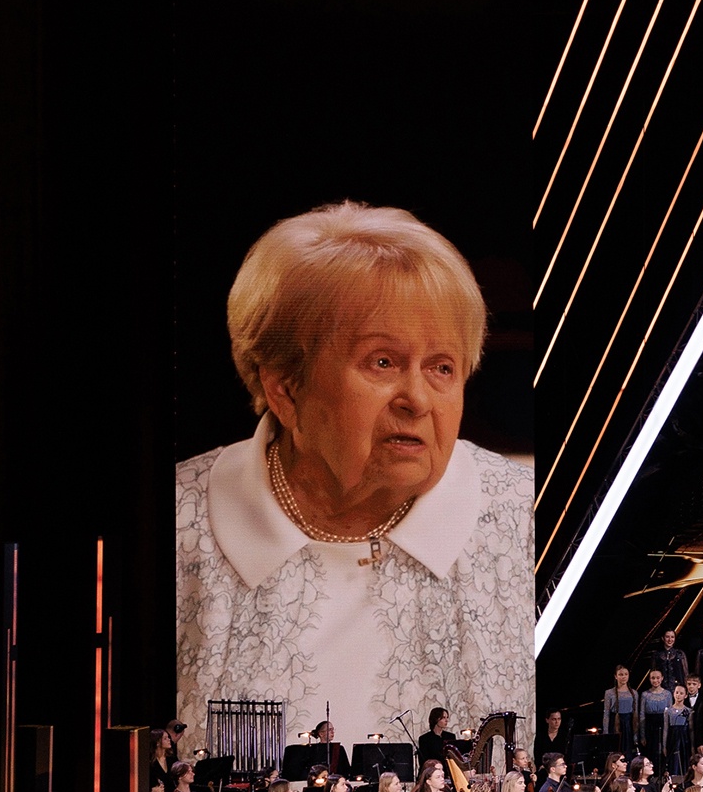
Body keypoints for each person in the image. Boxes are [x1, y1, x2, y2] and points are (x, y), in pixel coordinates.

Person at [175, 202, 533, 755]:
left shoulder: (525, 518)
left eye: (441, 367)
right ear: (285, 389)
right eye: (382, 362)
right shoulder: (178, 526)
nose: (417, 400)